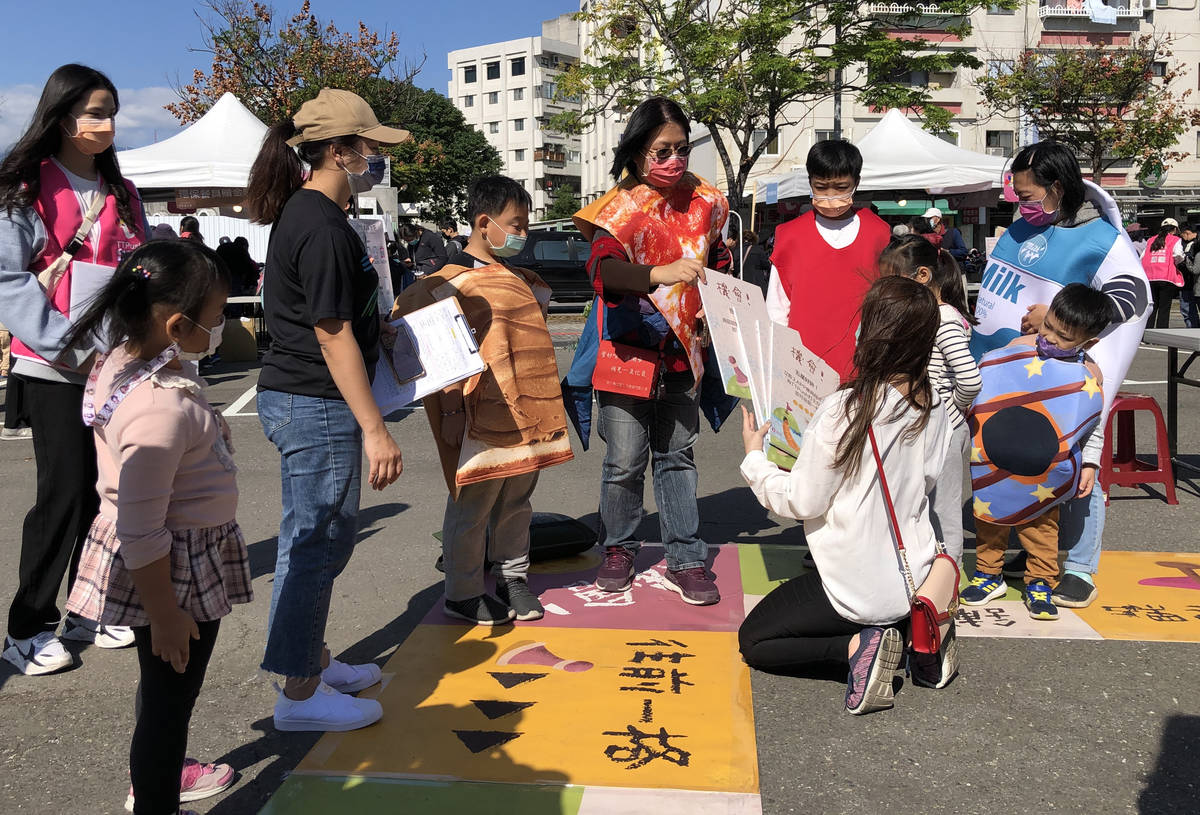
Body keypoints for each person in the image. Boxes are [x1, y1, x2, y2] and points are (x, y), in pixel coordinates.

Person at [62, 240, 247, 815]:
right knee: (170, 707)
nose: (222, 326)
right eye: (216, 317)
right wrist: (166, 616)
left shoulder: (127, 359)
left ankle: (159, 782)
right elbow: (142, 526)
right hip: (174, 570)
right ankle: (156, 798)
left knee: (163, 693)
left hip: (179, 556)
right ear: (176, 323)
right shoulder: (158, 409)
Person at [245, 87, 408, 731]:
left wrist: (382, 332)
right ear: (338, 152)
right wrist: (376, 429)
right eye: (367, 146)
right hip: (315, 404)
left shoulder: (316, 217)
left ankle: (309, 659)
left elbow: (341, 321)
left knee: (324, 539)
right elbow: (329, 330)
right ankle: (301, 693)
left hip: (308, 399)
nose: (374, 157)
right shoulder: (319, 224)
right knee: (313, 545)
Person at [738, 276, 949, 714]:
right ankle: (911, 638)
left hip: (854, 584)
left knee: (755, 640)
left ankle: (857, 647)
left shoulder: (847, 408)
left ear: (872, 335)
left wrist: (755, 459)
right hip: (913, 577)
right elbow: (925, 481)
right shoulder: (933, 404)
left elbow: (802, 502)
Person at [0, 64, 147, 675]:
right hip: (53, 365)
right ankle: (25, 626)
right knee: (61, 493)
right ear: (62, 118)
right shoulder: (26, 187)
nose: (107, 123)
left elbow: (140, 265)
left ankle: (90, 606)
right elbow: (7, 278)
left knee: (107, 490)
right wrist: (66, 340)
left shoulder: (122, 189)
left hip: (113, 363)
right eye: (94, 112)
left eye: (111, 110)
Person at [971, 141, 1149, 609]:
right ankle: (1030, 553)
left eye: (1029, 196)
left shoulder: (1098, 239)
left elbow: (1133, 298)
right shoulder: (1022, 228)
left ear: (1057, 187)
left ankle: (1080, 566)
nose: (1022, 205)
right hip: (1009, 375)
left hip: (1064, 376)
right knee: (1009, 461)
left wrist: (1061, 317)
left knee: (1075, 463)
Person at [568, 96, 732, 606]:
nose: (674, 160)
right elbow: (601, 272)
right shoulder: (617, 207)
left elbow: (720, 257)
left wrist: (717, 299)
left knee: (678, 458)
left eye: (682, 149)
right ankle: (618, 549)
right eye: (662, 150)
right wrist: (657, 275)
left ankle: (686, 557)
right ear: (638, 151)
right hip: (627, 353)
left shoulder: (708, 201)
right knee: (624, 461)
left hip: (685, 355)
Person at [392, 176, 574, 625]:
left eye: (526, 225)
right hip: (477, 412)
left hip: (527, 412)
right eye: (517, 224)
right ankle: (463, 590)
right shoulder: (448, 282)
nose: (523, 233)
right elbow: (437, 351)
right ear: (483, 222)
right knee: (473, 506)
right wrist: (452, 409)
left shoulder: (520, 278)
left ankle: (513, 577)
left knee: (517, 500)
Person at [962, 284, 1109, 621]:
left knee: (1042, 526)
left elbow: (1091, 425)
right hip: (996, 460)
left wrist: (1089, 463)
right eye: (1048, 327)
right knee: (988, 521)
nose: (1051, 339)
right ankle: (988, 574)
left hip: (1046, 472)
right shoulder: (1017, 349)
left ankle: (1040, 580)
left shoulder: (1087, 375)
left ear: (1089, 342)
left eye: (1064, 337)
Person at [879, 235, 980, 563]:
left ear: (922, 276)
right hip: (924, 426)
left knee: (943, 510)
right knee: (918, 504)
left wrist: (953, 410)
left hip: (943, 430)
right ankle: (924, 570)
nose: (888, 288)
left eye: (895, 280)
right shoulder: (924, 314)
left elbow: (969, 378)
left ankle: (948, 578)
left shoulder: (945, 318)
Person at [766, 140, 892, 380]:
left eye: (841, 187)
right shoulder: (790, 235)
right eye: (821, 187)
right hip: (802, 365)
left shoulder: (880, 233)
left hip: (864, 363)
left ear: (857, 183)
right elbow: (777, 308)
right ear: (810, 183)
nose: (831, 196)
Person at [1142, 218, 1183, 329]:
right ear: (1174, 229)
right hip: (1166, 277)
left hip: (1150, 276)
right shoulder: (1175, 240)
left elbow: (1142, 257)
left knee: (1152, 306)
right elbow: (1178, 255)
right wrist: (1177, 263)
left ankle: (1147, 333)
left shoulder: (1151, 240)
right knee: (1164, 307)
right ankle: (1161, 332)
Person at [1177, 223, 1198, 328]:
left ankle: (1193, 329)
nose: (1183, 236)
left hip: (1191, 282)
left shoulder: (1196, 245)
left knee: (1187, 309)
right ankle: (1192, 328)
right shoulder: (1182, 243)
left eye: (1184, 234)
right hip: (1188, 282)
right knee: (1187, 310)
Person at [740, 230, 771, 296]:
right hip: (756, 284)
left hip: (741, 284)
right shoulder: (758, 250)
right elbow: (767, 265)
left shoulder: (737, 250)